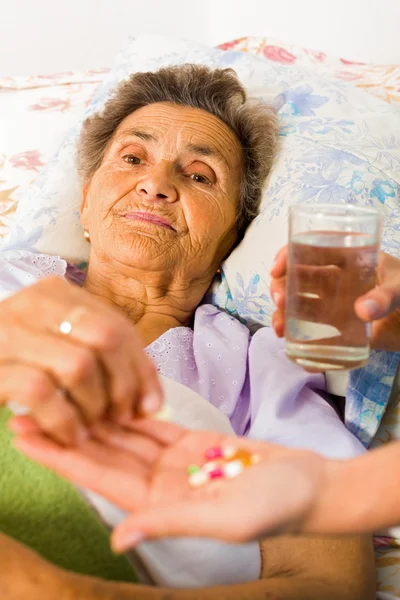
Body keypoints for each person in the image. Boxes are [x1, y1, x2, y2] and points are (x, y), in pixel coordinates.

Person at [0, 64, 373, 598]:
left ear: (231, 237)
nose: (155, 184)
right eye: (132, 159)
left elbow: (329, 582)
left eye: (200, 175)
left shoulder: (259, 367)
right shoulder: (8, 278)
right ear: (85, 200)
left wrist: (62, 590)